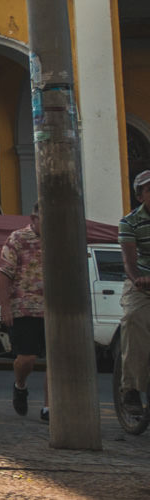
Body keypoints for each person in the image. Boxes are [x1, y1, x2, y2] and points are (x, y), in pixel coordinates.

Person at [0, 202, 48, 421]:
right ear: (33, 219)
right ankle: (20, 385)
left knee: (56, 361)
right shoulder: (18, 239)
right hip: (25, 306)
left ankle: (49, 406)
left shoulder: (60, 238)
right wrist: (5, 305)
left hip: (54, 308)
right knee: (26, 358)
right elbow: (5, 273)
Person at [117, 171, 150, 420]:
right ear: (140, 196)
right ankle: (130, 389)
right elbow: (129, 261)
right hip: (143, 282)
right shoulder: (129, 222)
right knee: (133, 319)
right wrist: (138, 279)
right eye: (149, 190)